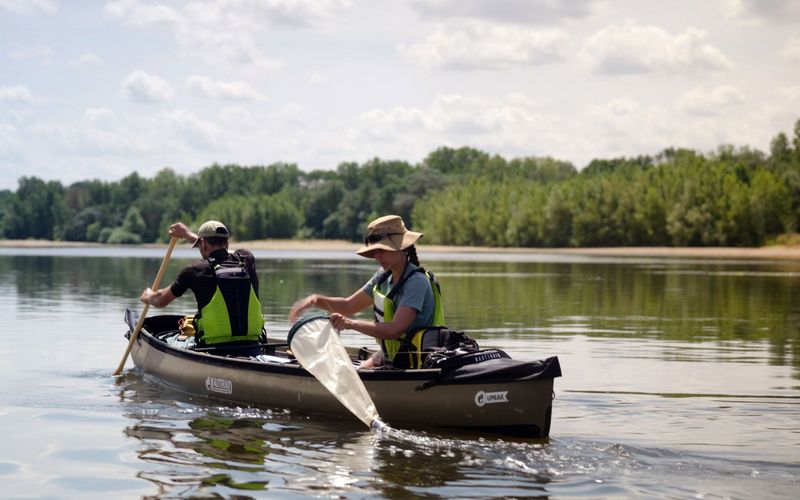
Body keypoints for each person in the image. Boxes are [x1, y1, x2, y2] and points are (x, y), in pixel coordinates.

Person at [289, 214, 444, 369]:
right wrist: (315, 300)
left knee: (354, 371)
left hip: (417, 363)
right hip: (391, 358)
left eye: (382, 250)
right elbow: (348, 306)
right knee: (355, 370)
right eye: (374, 251)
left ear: (400, 247)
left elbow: (395, 330)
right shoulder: (382, 277)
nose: (377, 256)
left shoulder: (416, 282)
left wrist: (350, 324)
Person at [140, 220, 265, 356]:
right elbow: (225, 254)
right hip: (253, 347)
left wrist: (148, 296)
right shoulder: (247, 260)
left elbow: (160, 301)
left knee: (169, 339)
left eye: (200, 245)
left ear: (203, 244)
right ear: (227, 243)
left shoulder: (194, 270)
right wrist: (188, 235)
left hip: (215, 350)